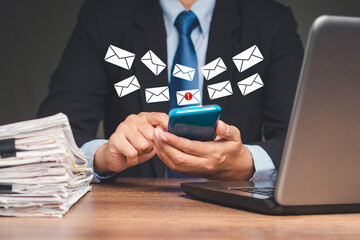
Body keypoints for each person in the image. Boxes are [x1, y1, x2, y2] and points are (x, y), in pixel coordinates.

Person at [38, 0, 304, 182]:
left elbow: (303, 139)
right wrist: (102, 157)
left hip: (238, 214)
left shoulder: (271, 21)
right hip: (133, 217)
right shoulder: (104, 16)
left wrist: (248, 162)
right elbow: (52, 135)